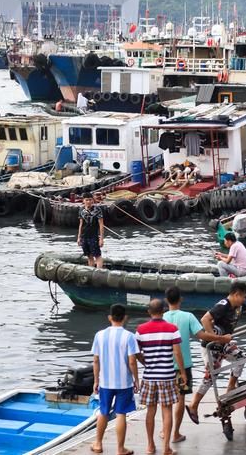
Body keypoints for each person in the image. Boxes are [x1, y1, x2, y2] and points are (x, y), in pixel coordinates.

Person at [185, 282, 246, 424]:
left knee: (240, 358)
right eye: (243, 297)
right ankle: (193, 405)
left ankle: (231, 386)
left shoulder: (238, 306)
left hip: (224, 344)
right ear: (236, 294)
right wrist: (216, 338)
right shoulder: (223, 305)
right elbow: (205, 319)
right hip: (212, 346)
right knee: (210, 377)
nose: (244, 300)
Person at [163, 286, 225, 444]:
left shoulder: (162, 317)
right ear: (181, 299)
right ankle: (175, 433)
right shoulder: (188, 316)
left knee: (166, 401)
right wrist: (221, 339)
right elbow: (201, 335)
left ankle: (165, 431)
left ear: (166, 300)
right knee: (180, 399)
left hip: (164, 366)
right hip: (183, 366)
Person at [135, 299, 186, 455]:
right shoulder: (172, 328)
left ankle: (150, 446)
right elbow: (177, 352)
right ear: (163, 311)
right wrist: (183, 373)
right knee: (167, 410)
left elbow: (136, 353)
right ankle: (166, 448)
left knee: (150, 411)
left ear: (149, 312)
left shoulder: (141, 330)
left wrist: (146, 363)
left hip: (149, 376)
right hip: (167, 376)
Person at [90, 304, 139, 455]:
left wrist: (96, 380)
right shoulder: (129, 336)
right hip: (124, 382)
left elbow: (96, 360)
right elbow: (132, 361)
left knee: (103, 412)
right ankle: (120, 449)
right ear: (125, 317)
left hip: (105, 382)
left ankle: (98, 444)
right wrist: (136, 379)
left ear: (110, 317)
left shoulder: (99, 335)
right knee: (120, 414)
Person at [77, 193, 105, 268]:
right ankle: (91, 271)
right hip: (84, 236)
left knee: (97, 256)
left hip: (94, 236)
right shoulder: (81, 210)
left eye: (90, 200)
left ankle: (99, 273)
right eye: (87, 200)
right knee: (89, 256)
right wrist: (79, 237)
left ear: (92, 200)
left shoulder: (97, 209)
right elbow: (81, 224)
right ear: (83, 200)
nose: (88, 202)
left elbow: (101, 225)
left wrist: (101, 239)